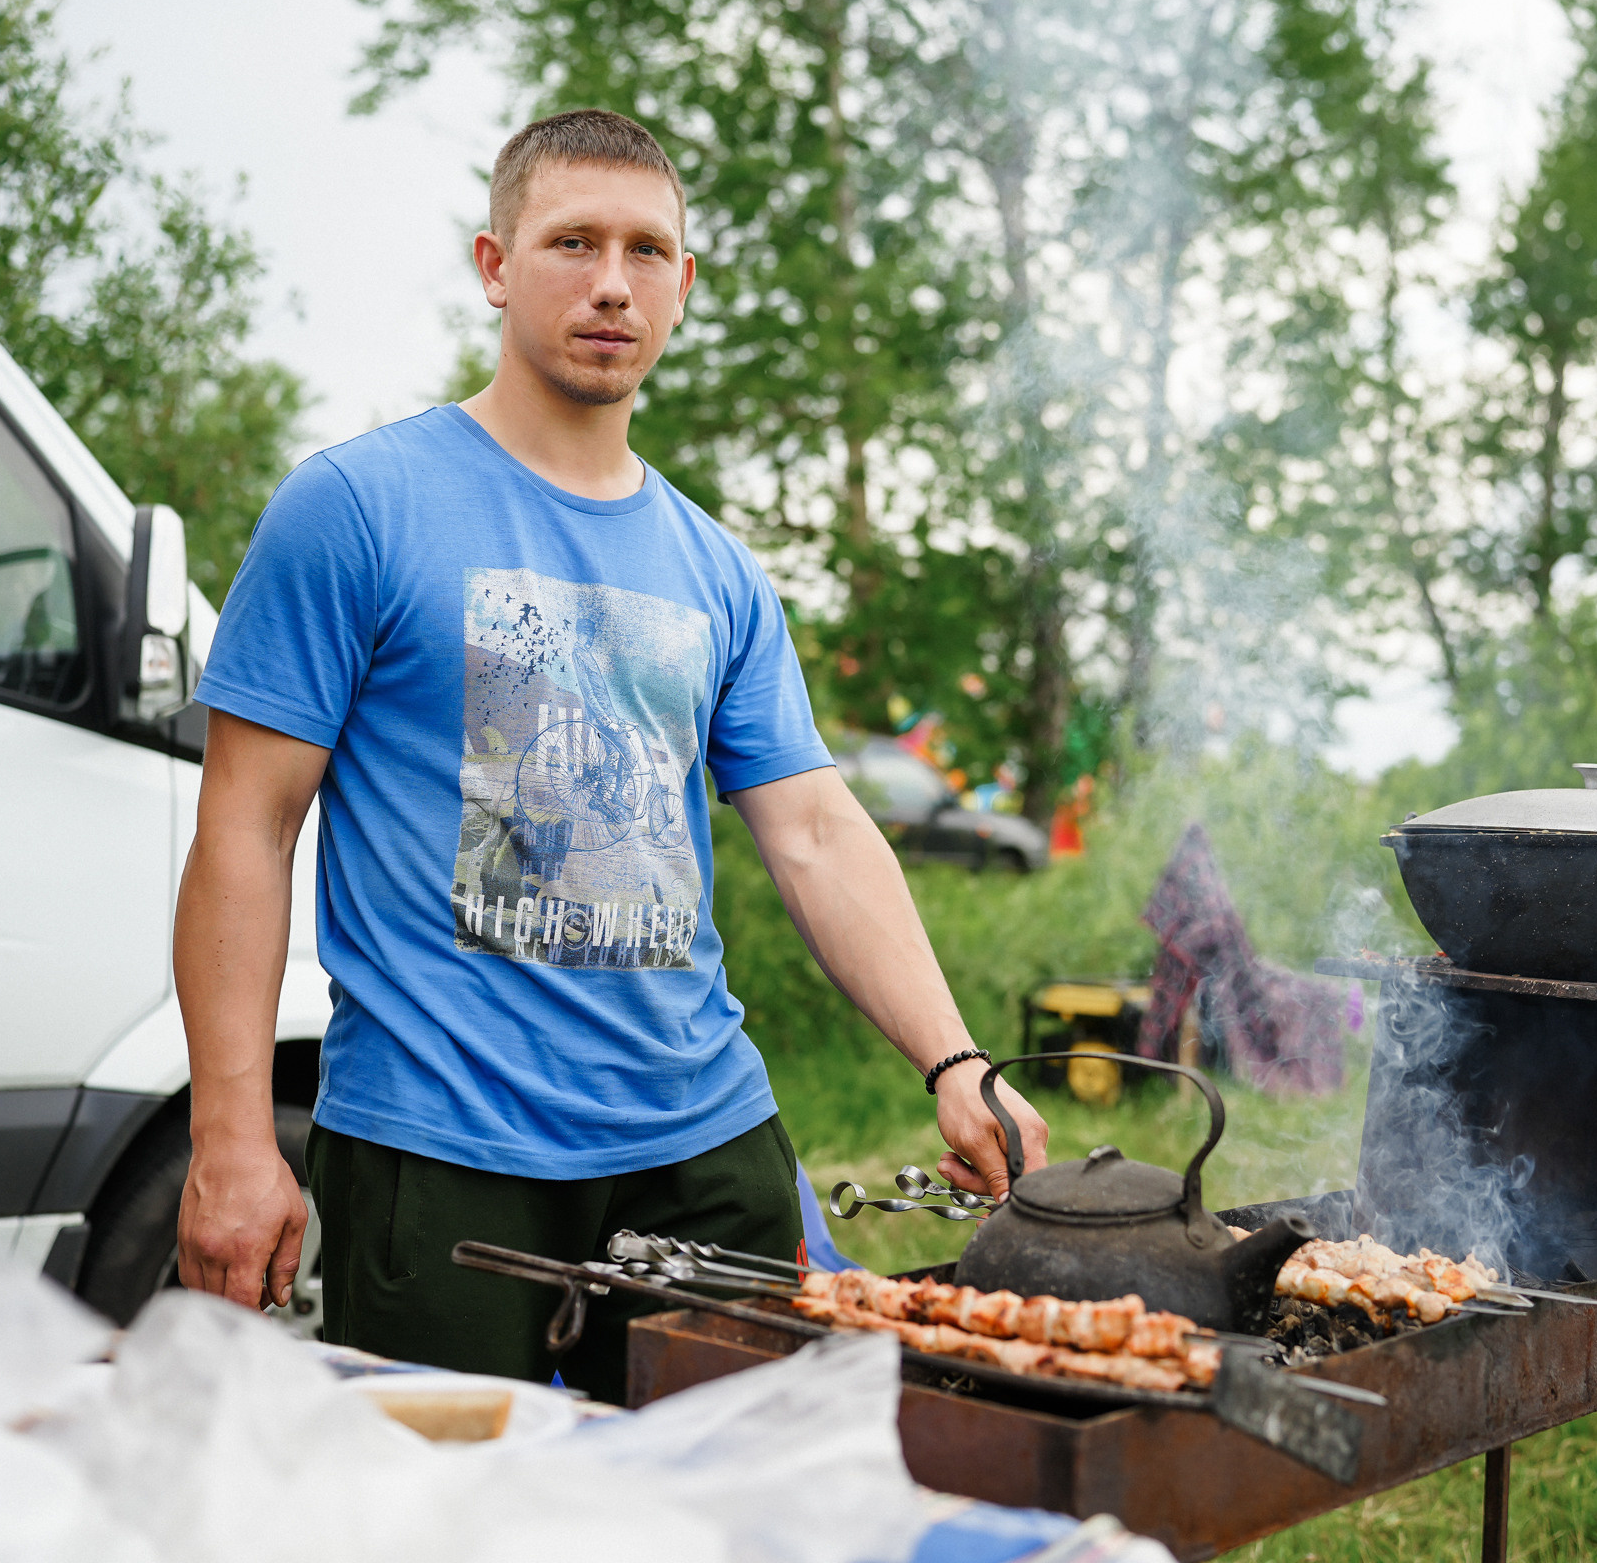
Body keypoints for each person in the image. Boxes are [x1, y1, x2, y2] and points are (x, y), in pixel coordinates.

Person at [170, 109, 1049, 1399]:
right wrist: (231, 1138)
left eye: (647, 251)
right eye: (571, 241)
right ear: (494, 264)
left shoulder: (718, 569)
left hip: (706, 1147)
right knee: (455, 1532)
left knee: (729, 1520)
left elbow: (810, 831)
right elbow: (245, 829)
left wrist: (955, 1057)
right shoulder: (357, 508)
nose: (609, 283)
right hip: (444, 1157)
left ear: (683, 287)